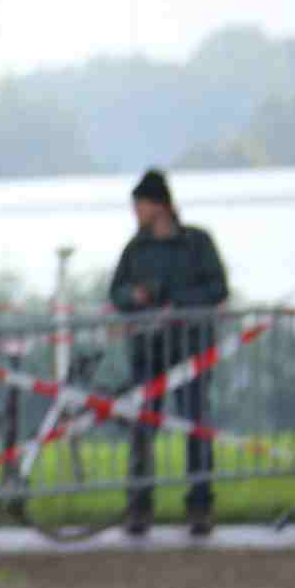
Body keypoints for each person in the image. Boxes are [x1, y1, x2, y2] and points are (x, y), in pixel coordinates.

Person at [108, 167, 230, 538]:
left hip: (191, 349)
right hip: (148, 352)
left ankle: (200, 505)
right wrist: (134, 296)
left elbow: (218, 288)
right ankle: (139, 505)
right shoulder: (135, 248)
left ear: (160, 205)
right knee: (143, 428)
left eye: (140, 205)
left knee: (195, 424)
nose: (136, 213)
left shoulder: (197, 243)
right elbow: (116, 291)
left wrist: (178, 305)